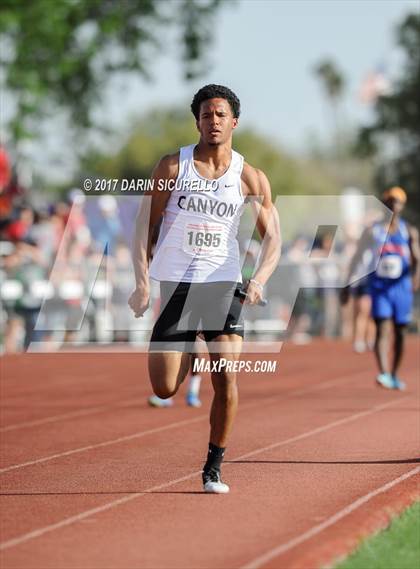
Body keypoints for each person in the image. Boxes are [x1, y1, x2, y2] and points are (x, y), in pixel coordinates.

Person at [129, 84, 280, 493]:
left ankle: (214, 465)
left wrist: (260, 279)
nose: (213, 121)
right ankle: (191, 349)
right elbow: (144, 226)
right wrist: (143, 283)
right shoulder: (172, 168)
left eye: (221, 115)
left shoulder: (249, 176)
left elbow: (274, 238)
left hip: (223, 283)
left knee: (227, 377)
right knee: (162, 387)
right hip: (178, 284)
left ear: (234, 121)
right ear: (197, 120)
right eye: (206, 115)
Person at [341, 187, 419, 389]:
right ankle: (384, 372)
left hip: (401, 286)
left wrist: (415, 277)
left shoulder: (408, 231)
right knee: (382, 327)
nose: (394, 205)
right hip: (380, 286)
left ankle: (394, 373)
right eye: (390, 201)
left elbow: (416, 257)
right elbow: (357, 257)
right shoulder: (372, 231)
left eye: (398, 202)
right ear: (384, 203)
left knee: (400, 331)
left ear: (402, 206)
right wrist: (347, 284)